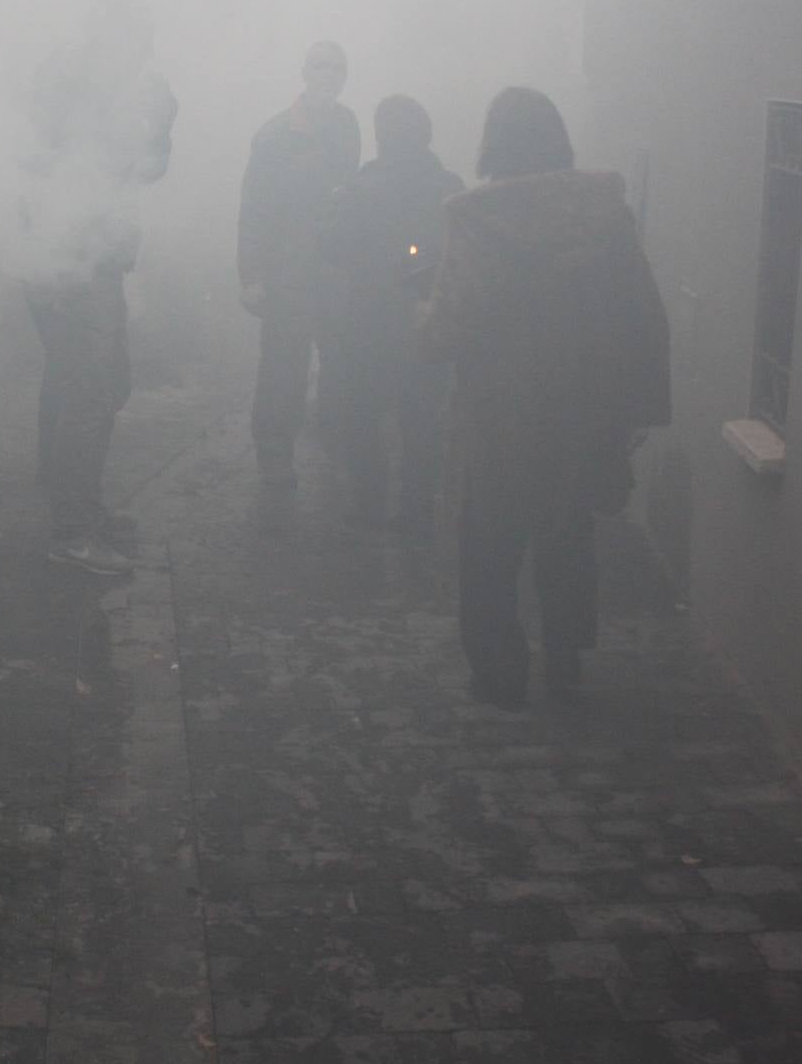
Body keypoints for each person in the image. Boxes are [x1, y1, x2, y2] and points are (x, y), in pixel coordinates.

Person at [421, 87, 670, 708]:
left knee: (489, 541)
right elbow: (642, 314)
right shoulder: (604, 212)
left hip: (500, 411)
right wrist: (636, 408)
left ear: (492, 143)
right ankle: (565, 655)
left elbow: (452, 326)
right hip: (582, 404)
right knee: (567, 528)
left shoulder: (475, 221)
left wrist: (421, 324)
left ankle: (499, 671)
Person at [20, 5, 177, 575]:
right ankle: (72, 529)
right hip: (71, 255)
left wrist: (157, 122)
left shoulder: (115, 92)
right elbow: (113, 160)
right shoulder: (75, 91)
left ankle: (77, 506)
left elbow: (148, 166)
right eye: (135, 47)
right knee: (92, 388)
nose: (141, 60)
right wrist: (149, 118)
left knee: (94, 382)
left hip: (80, 253)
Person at [319, 94, 464, 535]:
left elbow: (334, 245)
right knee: (420, 418)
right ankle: (417, 508)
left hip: (370, 319)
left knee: (363, 413)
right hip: (424, 318)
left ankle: (368, 505)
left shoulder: (364, 184)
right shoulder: (449, 187)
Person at [238, 40, 362, 488]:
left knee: (339, 361)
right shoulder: (275, 134)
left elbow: (348, 193)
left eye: (337, 68)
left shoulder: (348, 125)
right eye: (321, 67)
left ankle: (334, 454)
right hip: (287, 270)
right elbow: (253, 208)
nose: (329, 75)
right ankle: (274, 460)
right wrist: (251, 276)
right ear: (305, 72)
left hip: (333, 270)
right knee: (282, 368)